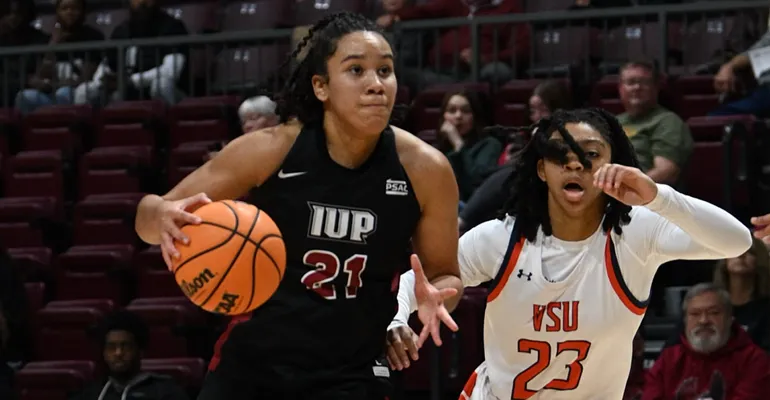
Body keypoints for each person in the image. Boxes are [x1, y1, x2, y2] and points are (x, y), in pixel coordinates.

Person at [133, 12, 463, 400]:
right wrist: (162, 216)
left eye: (385, 71)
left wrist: (432, 300)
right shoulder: (270, 150)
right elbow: (147, 218)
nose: (376, 84)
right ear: (321, 86)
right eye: (356, 70)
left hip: (353, 369)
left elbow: (445, 276)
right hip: (256, 363)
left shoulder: (426, 169)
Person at [386, 108, 752, 399]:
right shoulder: (500, 239)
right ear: (542, 169)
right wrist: (398, 318)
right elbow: (416, 281)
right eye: (561, 154)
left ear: (614, 163)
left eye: (590, 154)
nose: (575, 163)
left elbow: (736, 241)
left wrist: (658, 196)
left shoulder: (635, 234)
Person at [70, 310, 189, 400]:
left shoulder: (165, 392)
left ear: (140, 351)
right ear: (104, 353)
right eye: (112, 347)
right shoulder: (90, 394)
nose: (118, 353)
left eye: (125, 346)